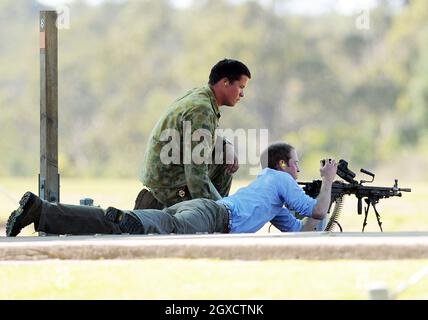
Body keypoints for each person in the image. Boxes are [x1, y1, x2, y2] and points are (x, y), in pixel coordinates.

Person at [6, 142, 337, 237]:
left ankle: (43, 211)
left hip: (204, 212)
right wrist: (327, 182)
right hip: (211, 215)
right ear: (283, 166)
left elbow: (304, 230)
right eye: (296, 164)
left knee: (117, 226)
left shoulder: (273, 197)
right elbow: (318, 211)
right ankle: (134, 220)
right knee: (150, 225)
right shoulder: (279, 180)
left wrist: (330, 203)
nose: (299, 170)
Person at [134, 59, 251, 210]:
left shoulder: (201, 96)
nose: (242, 94)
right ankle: (201, 220)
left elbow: (201, 139)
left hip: (168, 173)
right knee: (227, 215)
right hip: (168, 184)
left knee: (224, 156)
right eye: (240, 87)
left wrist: (227, 145)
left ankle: (213, 216)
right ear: (225, 82)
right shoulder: (201, 110)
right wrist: (218, 212)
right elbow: (196, 175)